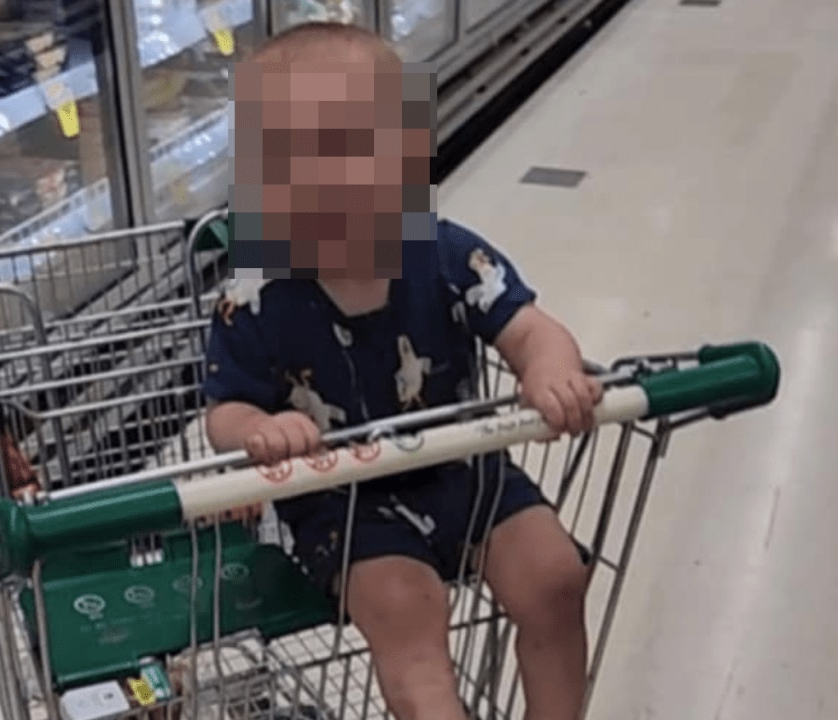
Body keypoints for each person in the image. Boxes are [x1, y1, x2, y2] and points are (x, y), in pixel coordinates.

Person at [203, 22, 601, 720]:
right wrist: (261, 429)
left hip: (462, 465)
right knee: (409, 615)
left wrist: (550, 370)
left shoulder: (445, 255)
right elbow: (223, 412)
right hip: (341, 497)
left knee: (556, 576)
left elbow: (531, 328)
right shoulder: (255, 296)